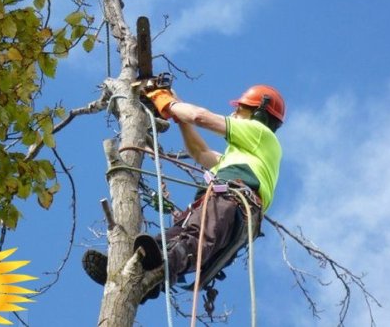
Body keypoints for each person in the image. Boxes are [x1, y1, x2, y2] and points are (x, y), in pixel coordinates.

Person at [82, 84, 285, 302]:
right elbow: (200, 151)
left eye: (240, 109)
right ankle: (131, 272)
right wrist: (176, 114)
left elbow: (199, 117)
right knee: (164, 242)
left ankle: (158, 273)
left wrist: (167, 102)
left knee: (191, 241)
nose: (233, 113)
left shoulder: (261, 134)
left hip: (232, 203)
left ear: (259, 112)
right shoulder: (240, 156)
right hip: (220, 206)